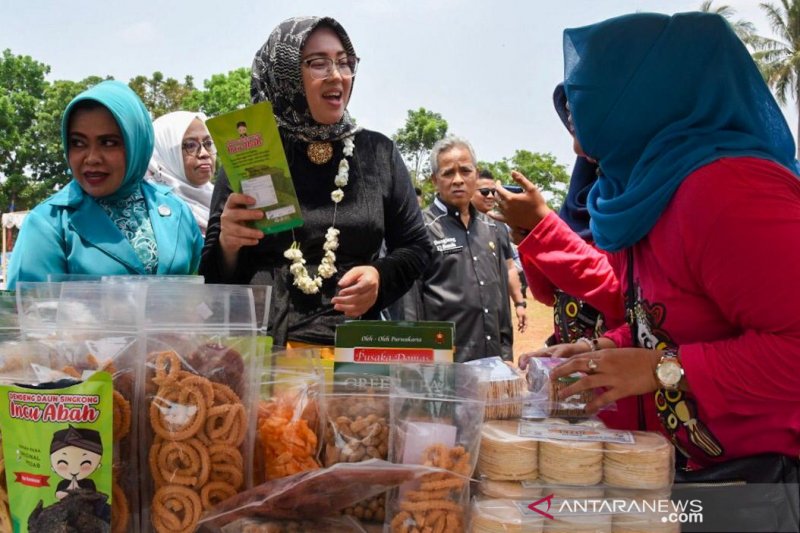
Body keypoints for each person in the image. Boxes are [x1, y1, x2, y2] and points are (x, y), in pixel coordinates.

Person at [500, 11, 800, 471]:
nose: (579, 140)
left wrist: (662, 369)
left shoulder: (726, 192)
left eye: (597, 103)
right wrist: (604, 349)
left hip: (759, 481)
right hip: (683, 473)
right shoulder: (648, 193)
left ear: (645, 98)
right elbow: (671, 319)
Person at [200, 16, 432, 349]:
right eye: (318, 63)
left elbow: (416, 247)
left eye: (344, 62)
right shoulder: (252, 150)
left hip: (355, 355)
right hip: (265, 355)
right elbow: (213, 278)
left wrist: (380, 277)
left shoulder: (377, 152)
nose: (337, 75)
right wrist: (229, 245)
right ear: (285, 72)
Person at [6, 81, 203, 289]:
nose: (91, 158)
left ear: (137, 143)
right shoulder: (49, 222)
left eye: (109, 143)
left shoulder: (175, 210)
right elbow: (27, 312)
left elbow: (203, 297)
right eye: (78, 143)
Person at [508, 85, 624, 348]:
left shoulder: (633, 199)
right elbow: (548, 294)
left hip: (621, 365)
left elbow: (621, 297)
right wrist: (530, 236)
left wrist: (543, 229)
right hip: (577, 360)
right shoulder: (579, 200)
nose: (570, 118)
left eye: (578, 109)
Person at [403, 136, 514, 362]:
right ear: (434, 180)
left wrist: (506, 354)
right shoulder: (420, 229)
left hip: (492, 361)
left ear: (476, 173)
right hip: (444, 365)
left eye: (465, 171)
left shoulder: (493, 227)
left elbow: (500, 297)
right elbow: (410, 307)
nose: (458, 180)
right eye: (447, 173)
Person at [471, 169, 528, 334]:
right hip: (467, 317)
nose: (490, 196)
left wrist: (519, 303)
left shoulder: (500, 226)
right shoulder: (457, 226)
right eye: (484, 192)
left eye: (493, 192)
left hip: (498, 314)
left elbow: (510, 268)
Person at [147, 111, 216, 235]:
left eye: (208, 143)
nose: (205, 153)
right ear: (164, 154)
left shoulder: (220, 197)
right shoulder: (152, 210)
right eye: (190, 145)